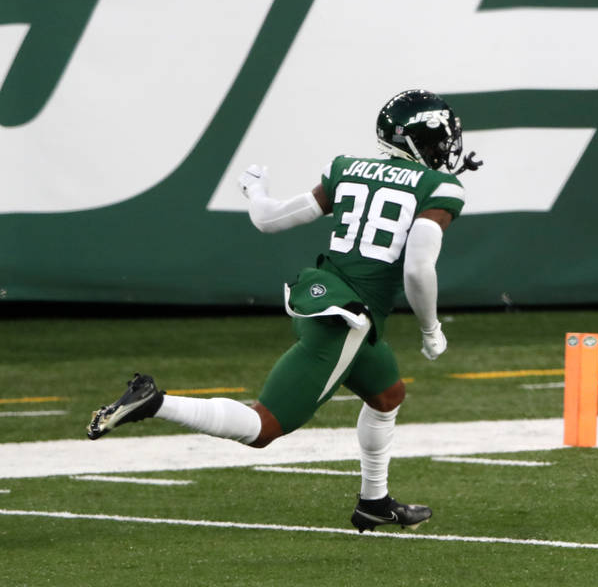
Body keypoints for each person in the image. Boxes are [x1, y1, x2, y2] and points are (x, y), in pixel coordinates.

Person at [88, 89, 481, 532]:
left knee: (387, 395)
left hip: (325, 298)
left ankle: (375, 501)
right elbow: (417, 268)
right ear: (416, 141)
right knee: (264, 427)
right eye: (437, 140)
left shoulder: (347, 169)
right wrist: (431, 328)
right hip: (346, 318)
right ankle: (154, 402)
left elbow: (269, 219)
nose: (444, 149)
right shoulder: (441, 187)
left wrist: (255, 190)